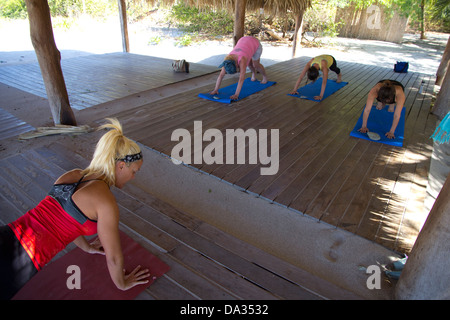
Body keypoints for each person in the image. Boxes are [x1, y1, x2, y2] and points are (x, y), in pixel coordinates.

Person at [0, 118, 150, 299]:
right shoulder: (105, 202)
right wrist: (123, 284)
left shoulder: (72, 175)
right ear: (120, 166)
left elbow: (68, 217)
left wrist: (86, 247)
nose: (133, 177)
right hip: (22, 259)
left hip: (8, 234)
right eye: (134, 171)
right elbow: (113, 258)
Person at [210, 36, 268, 100]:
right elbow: (221, 76)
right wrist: (215, 89)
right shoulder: (227, 62)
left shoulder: (242, 60)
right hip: (244, 42)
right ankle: (253, 74)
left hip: (254, 43)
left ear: (236, 65)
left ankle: (264, 76)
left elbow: (241, 78)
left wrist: (236, 94)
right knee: (249, 64)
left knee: (255, 65)